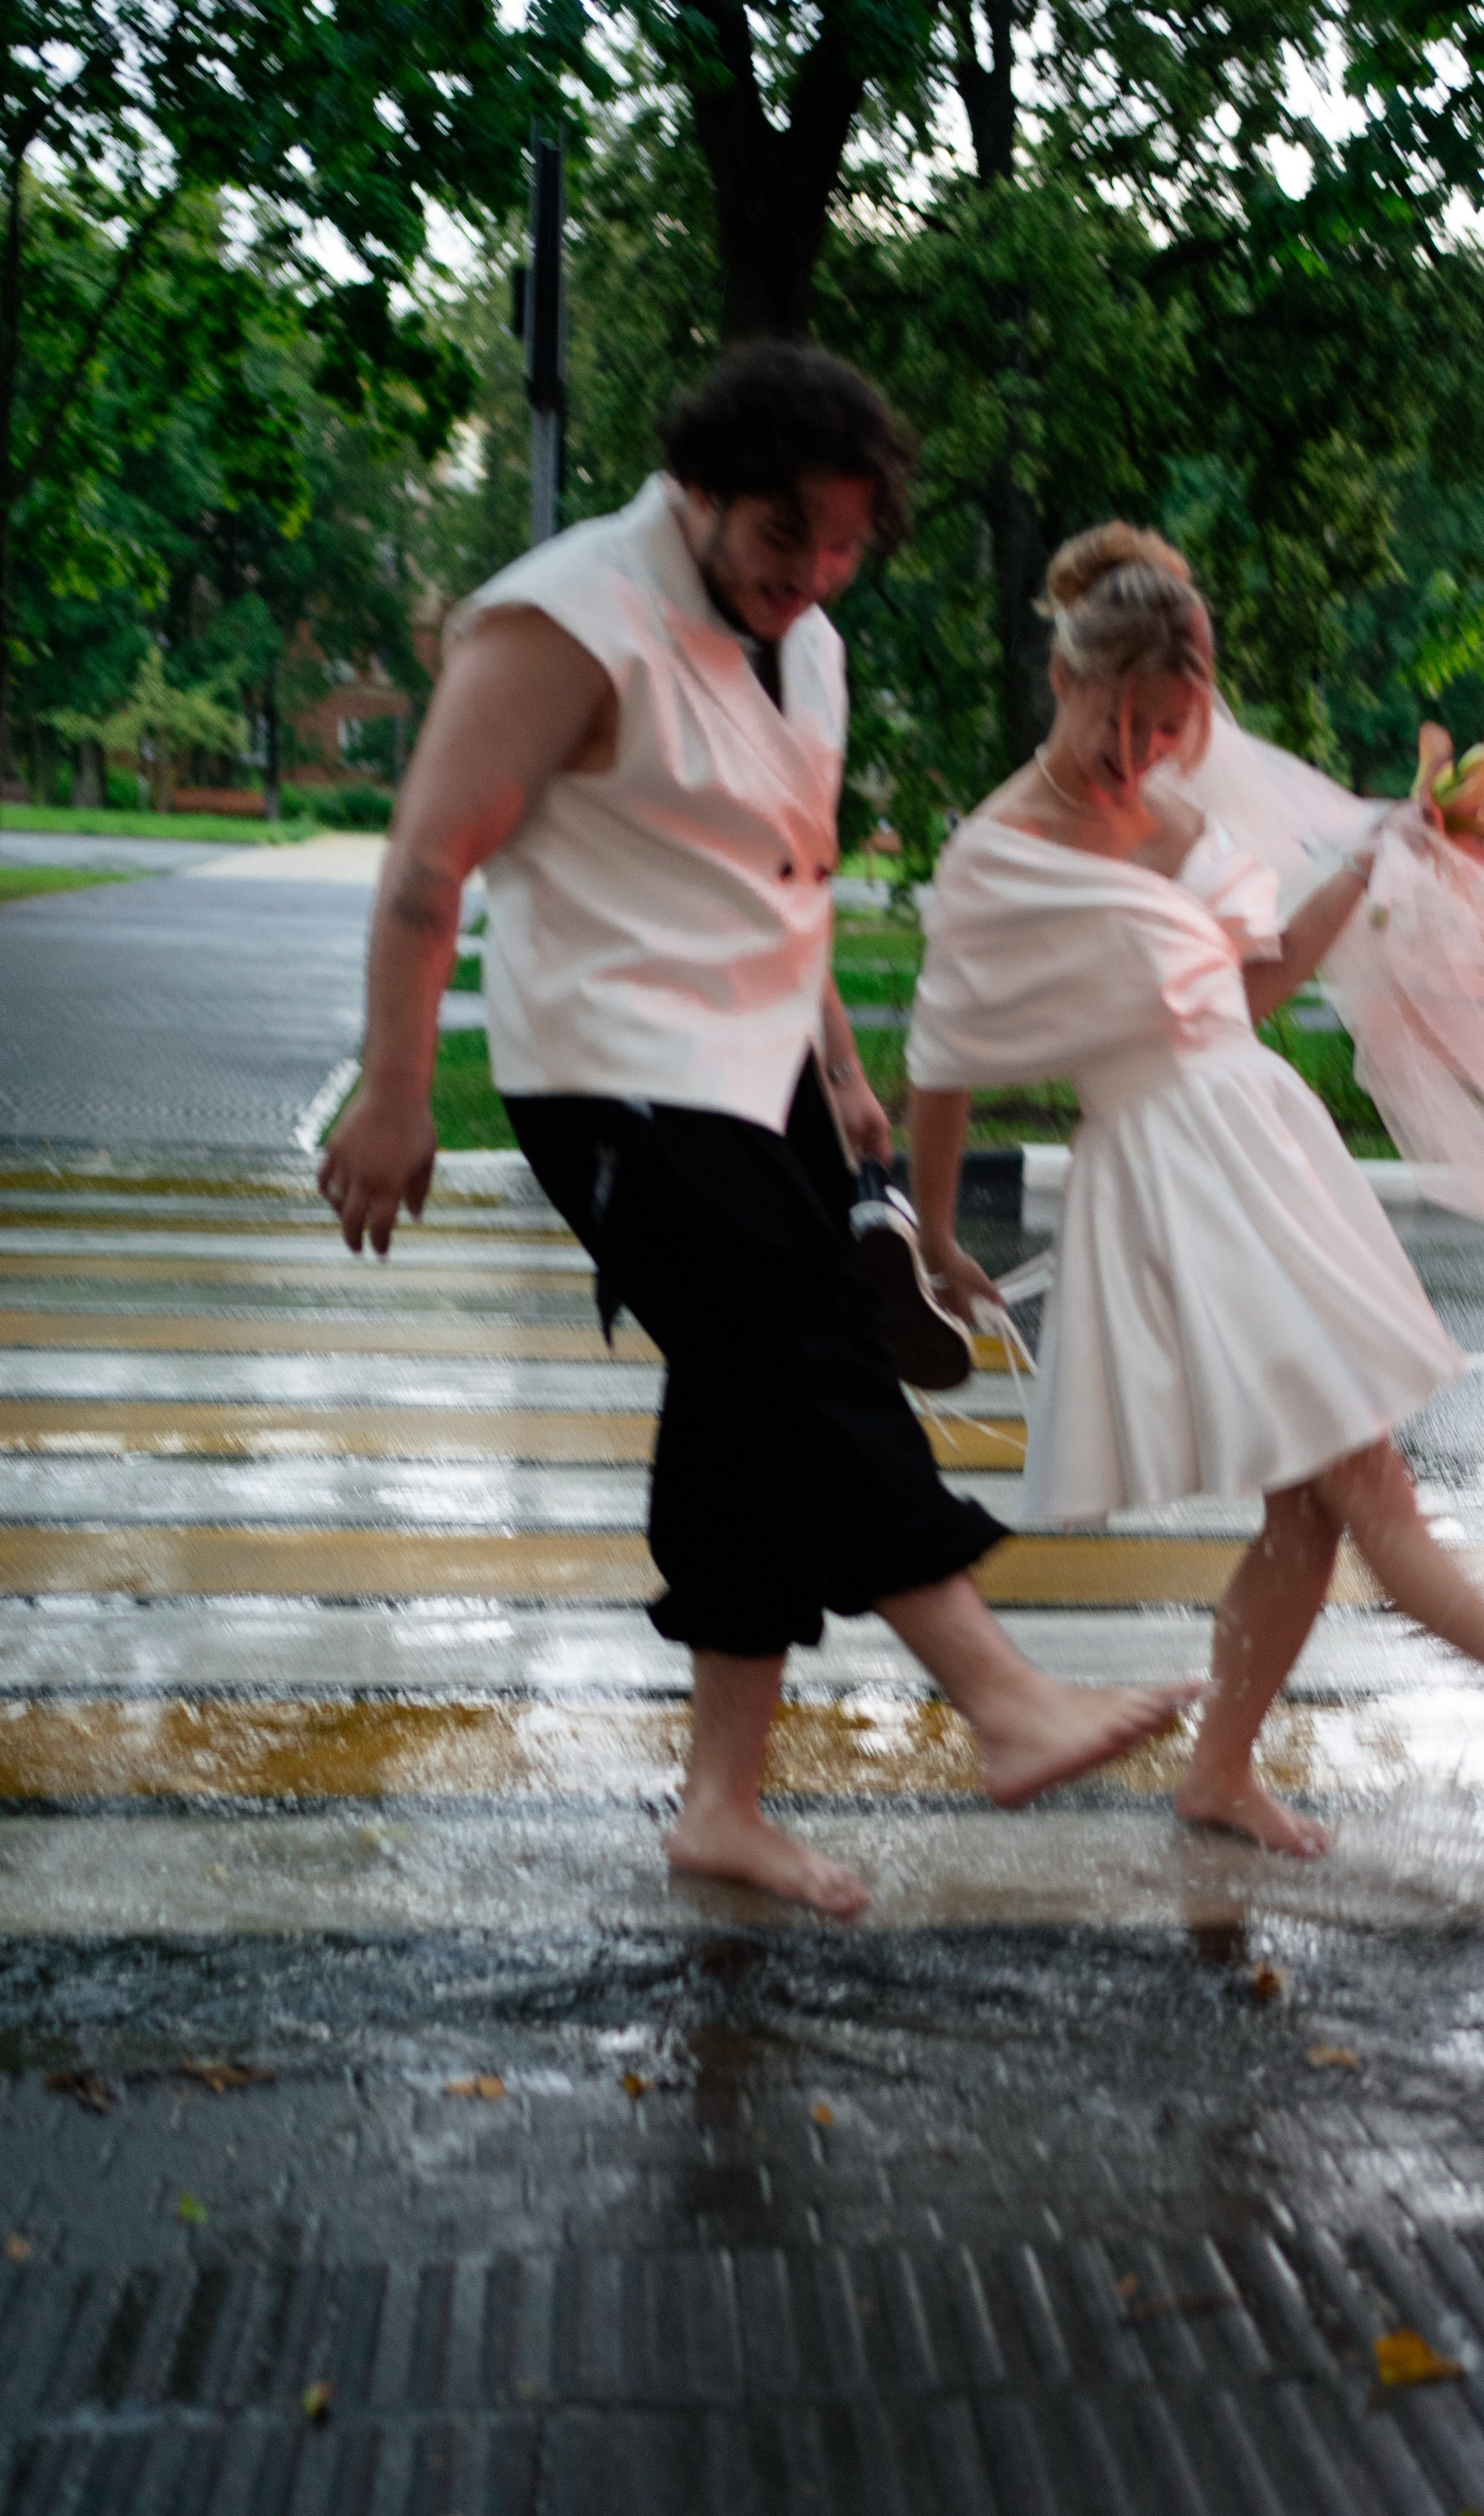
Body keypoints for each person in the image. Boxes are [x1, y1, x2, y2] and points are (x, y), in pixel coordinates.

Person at [317, 354, 1187, 1918]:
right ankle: (1003, 1698)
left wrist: (838, 1065)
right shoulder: (564, 617)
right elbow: (428, 864)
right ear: (702, 487)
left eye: (847, 543)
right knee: (805, 1349)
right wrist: (394, 1089)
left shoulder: (811, 643)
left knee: (741, 1413)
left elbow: (778, 876)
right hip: (612, 1070)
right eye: (789, 534)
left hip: (757, 1068)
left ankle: (720, 1806)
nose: (817, 571)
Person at [906, 525, 1484, 1857]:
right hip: (1173, 1180)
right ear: (1061, 678)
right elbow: (942, 1061)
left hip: (1257, 1143)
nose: (1137, 753)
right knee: (1370, 1486)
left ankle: (1219, 1774)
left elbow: (1242, 993)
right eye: (1116, 722)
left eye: (1167, 729)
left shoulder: (1176, 813)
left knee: (1310, 1512)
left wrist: (1372, 863)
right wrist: (938, 1235)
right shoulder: (998, 850)